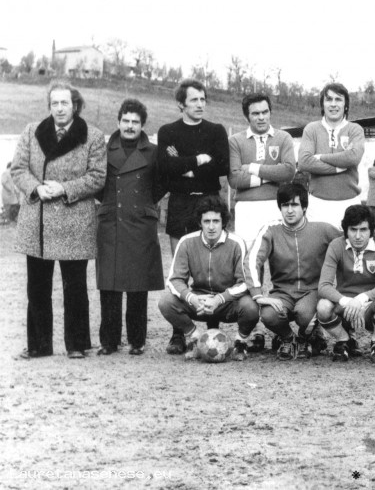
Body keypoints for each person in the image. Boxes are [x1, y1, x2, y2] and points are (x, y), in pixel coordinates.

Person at [12, 81, 106, 359]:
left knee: (75, 286)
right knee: (37, 287)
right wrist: (36, 188)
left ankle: (77, 344)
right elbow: (18, 169)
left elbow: (97, 177)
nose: (60, 108)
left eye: (65, 103)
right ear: (49, 106)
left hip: (74, 219)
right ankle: (39, 345)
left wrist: (65, 188)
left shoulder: (93, 136)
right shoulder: (31, 131)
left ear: (75, 105)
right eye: (55, 103)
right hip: (37, 219)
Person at [95, 99, 164, 356]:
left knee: (137, 284)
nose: (130, 126)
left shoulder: (154, 152)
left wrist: (142, 204)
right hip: (111, 221)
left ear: (142, 125)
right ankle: (108, 342)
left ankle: (137, 341)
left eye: (135, 122)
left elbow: (161, 184)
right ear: (118, 122)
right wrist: (112, 204)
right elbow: (97, 184)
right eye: (126, 120)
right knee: (109, 284)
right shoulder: (103, 150)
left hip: (140, 223)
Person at [245, 183, 340, 360]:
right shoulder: (270, 229)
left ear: (304, 207)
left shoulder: (323, 229)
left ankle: (308, 335)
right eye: (285, 205)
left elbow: (350, 239)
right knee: (269, 314)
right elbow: (252, 260)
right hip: (282, 292)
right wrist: (258, 295)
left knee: (305, 315)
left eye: (294, 205)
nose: (289, 210)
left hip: (312, 292)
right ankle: (288, 338)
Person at [159, 196, 259, 361]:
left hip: (226, 302)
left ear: (223, 222)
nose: (211, 227)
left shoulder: (236, 243)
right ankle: (195, 339)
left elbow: (245, 283)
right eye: (206, 221)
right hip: (200, 301)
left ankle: (240, 342)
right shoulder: (186, 242)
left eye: (216, 221)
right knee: (166, 302)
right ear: (200, 222)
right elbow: (174, 280)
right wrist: (192, 298)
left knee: (251, 307)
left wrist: (219, 299)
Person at [157, 79, 230, 253]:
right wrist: (198, 160)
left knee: (210, 261)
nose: (200, 104)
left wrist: (186, 170)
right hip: (180, 203)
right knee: (180, 261)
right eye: (194, 100)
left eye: (202, 99)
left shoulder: (216, 131)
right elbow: (166, 167)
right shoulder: (168, 131)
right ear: (180, 104)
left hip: (210, 202)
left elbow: (222, 167)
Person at [316, 205, 375, 362]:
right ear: (346, 230)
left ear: (371, 230)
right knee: (323, 307)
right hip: (345, 306)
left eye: (363, 229)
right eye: (353, 229)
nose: (358, 236)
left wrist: (361, 299)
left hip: (370, 305)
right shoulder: (336, 245)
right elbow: (323, 286)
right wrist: (348, 301)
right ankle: (344, 340)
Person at [228, 92, 295, 249]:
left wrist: (253, 168)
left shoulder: (283, 137)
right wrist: (273, 175)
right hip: (246, 209)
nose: (261, 117)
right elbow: (235, 179)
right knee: (248, 257)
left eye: (265, 112)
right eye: (255, 113)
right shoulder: (235, 141)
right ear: (247, 116)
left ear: (270, 112)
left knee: (278, 257)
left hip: (276, 206)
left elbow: (289, 171)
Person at [297, 83, 365, 227]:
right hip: (318, 205)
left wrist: (319, 157)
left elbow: (353, 157)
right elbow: (304, 162)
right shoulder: (311, 129)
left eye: (338, 99)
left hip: (350, 203)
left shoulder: (355, 129)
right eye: (329, 99)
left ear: (346, 105)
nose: (333, 104)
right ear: (322, 104)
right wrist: (339, 167)